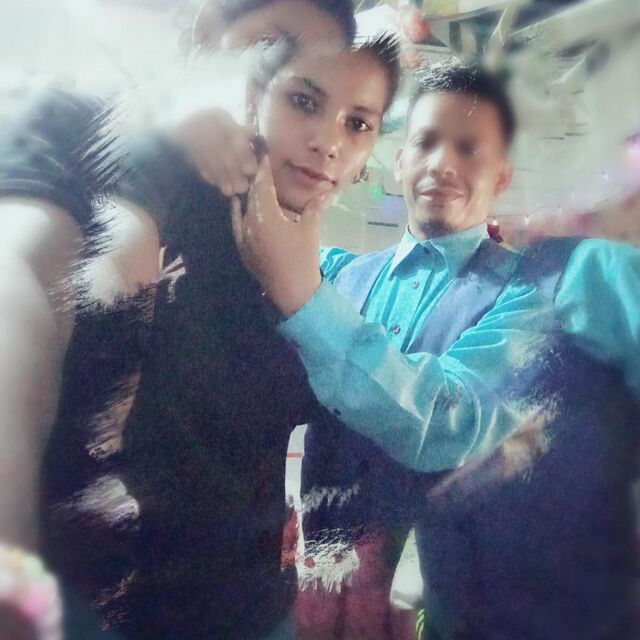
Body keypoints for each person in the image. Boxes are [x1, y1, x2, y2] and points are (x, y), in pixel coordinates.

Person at [0, 19, 400, 640]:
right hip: (123, 607)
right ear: (256, 97)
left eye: (358, 123)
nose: (328, 141)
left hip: (256, 608)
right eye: (303, 102)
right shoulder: (168, 201)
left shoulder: (321, 277)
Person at [231, 61, 640, 640]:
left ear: (502, 177)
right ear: (400, 159)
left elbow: (448, 420)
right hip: (322, 602)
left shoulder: (537, 294)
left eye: (470, 150)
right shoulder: (333, 275)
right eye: (425, 142)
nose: (443, 164)